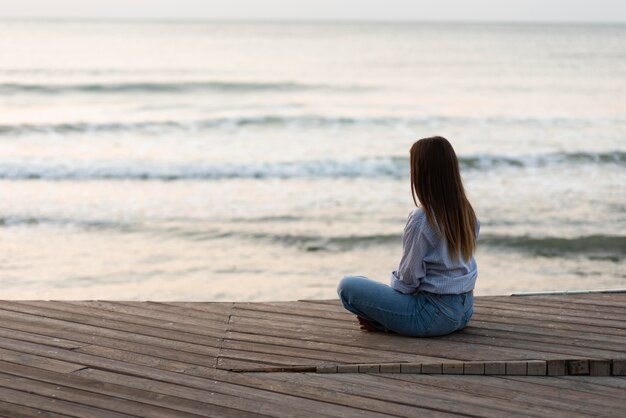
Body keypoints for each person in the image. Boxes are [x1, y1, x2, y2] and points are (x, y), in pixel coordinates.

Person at [337, 136, 479, 337]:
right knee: (366, 285)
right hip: (464, 311)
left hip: (431, 317)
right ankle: (388, 321)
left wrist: (385, 302)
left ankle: (386, 323)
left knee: (348, 285)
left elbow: (408, 280)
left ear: (422, 174)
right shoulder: (466, 212)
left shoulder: (422, 218)